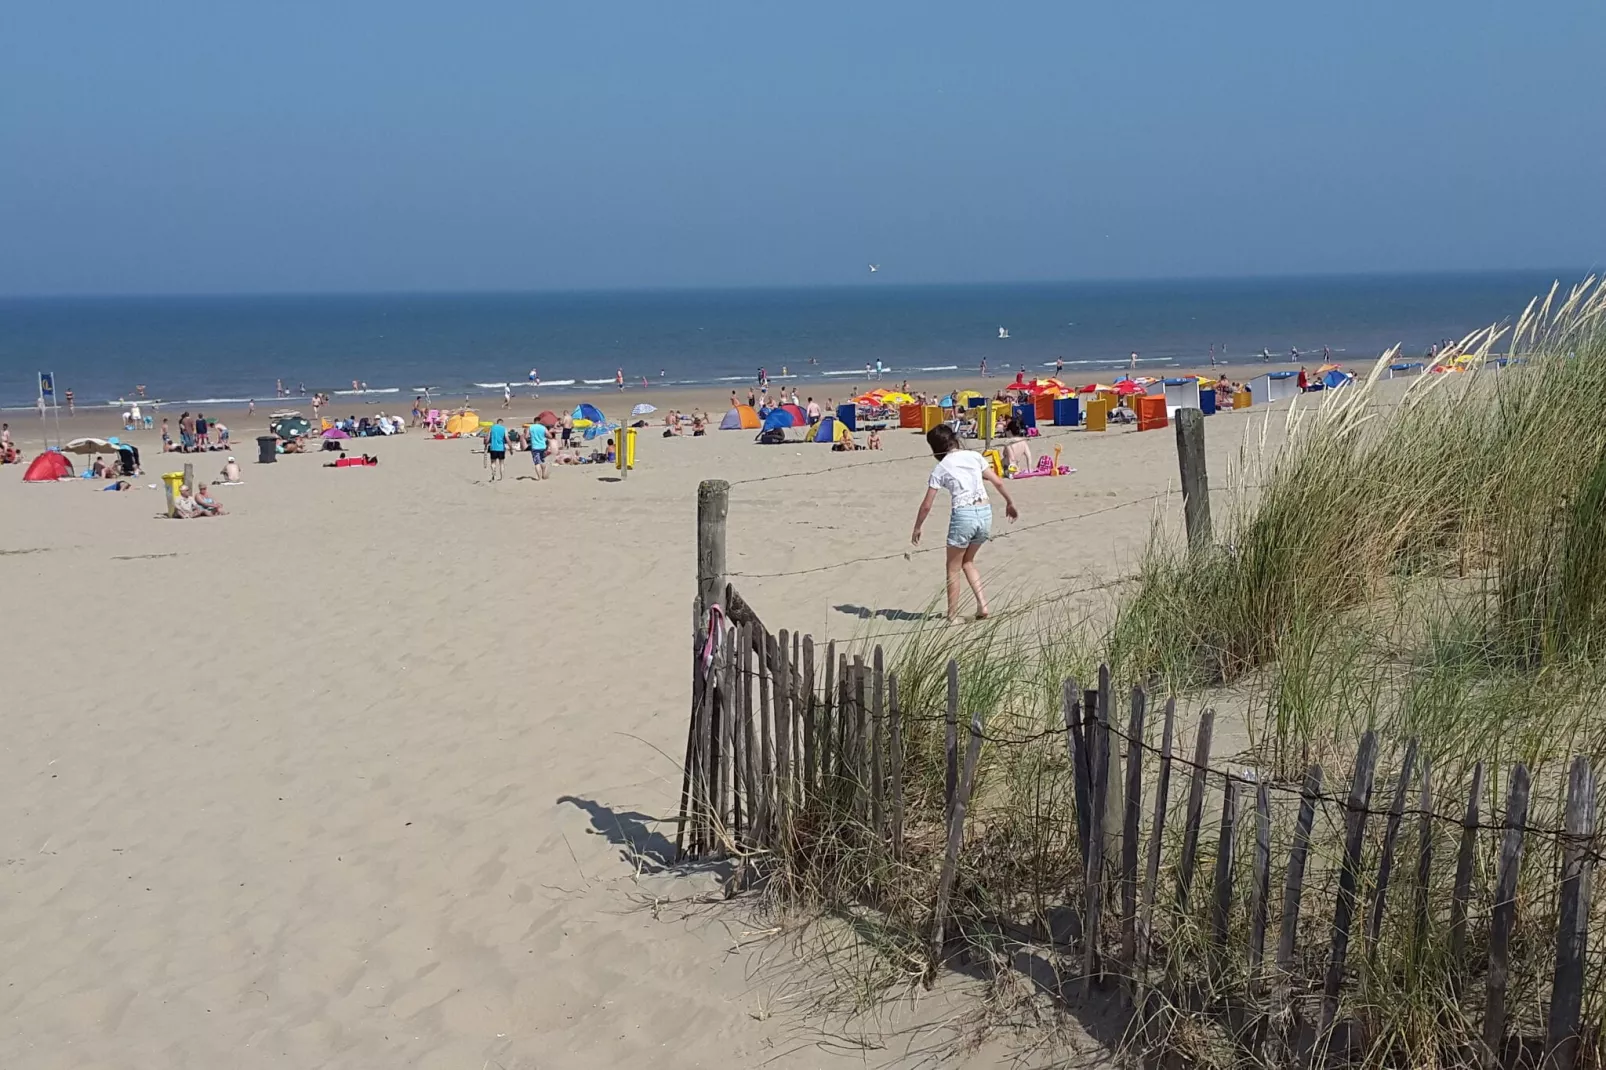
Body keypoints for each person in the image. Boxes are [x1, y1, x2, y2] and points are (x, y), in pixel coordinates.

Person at [911, 424, 1019, 622]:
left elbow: (927, 505)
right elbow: (998, 482)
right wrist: (1009, 502)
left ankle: (952, 616)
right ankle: (982, 605)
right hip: (985, 512)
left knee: (952, 567)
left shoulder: (941, 467)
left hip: (964, 515)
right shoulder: (974, 456)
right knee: (968, 561)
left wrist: (918, 527)